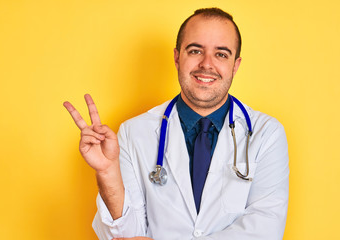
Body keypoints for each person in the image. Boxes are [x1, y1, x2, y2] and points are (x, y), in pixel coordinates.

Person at [64, 7, 289, 240]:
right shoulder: (133, 133)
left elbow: (265, 231)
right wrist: (107, 173)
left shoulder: (266, 133)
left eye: (221, 54)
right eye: (195, 51)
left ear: (235, 65)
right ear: (177, 57)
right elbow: (126, 236)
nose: (207, 64)